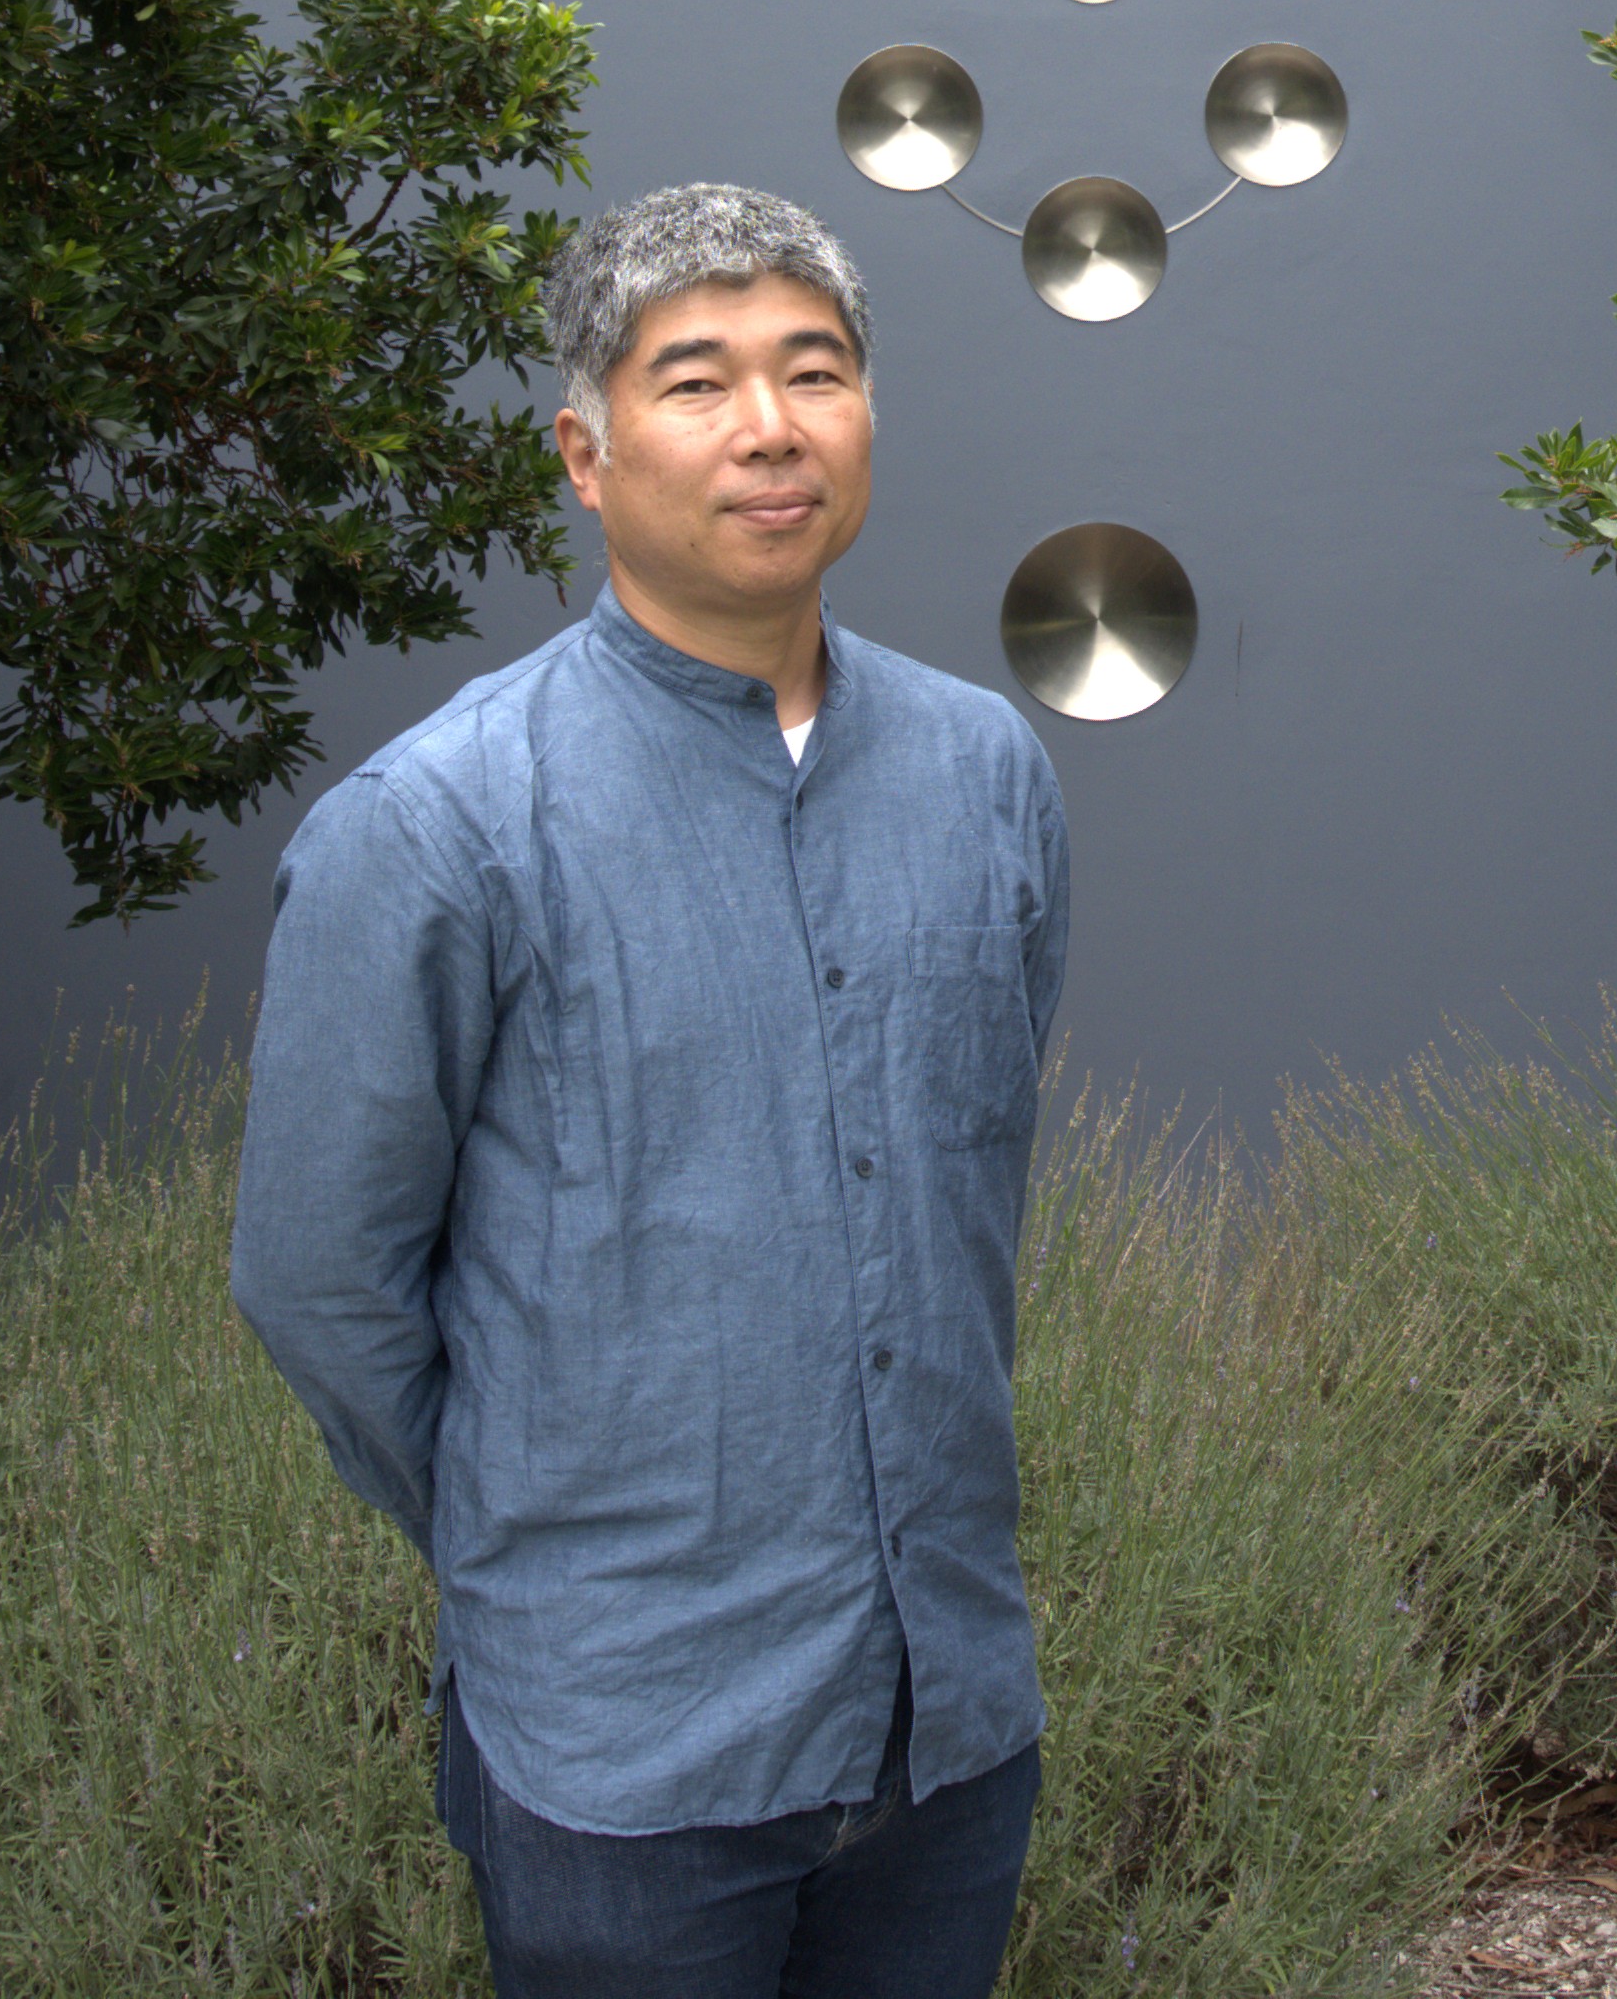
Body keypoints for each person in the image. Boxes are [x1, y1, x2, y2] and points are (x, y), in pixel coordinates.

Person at [232, 181, 1067, 1999]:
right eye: (696, 381)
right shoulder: (440, 826)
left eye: (815, 371)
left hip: (947, 1725)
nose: (770, 427)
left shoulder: (985, 774)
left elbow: (970, 1196)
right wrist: (539, 1529)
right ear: (585, 454)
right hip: (618, 1751)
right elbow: (316, 1279)